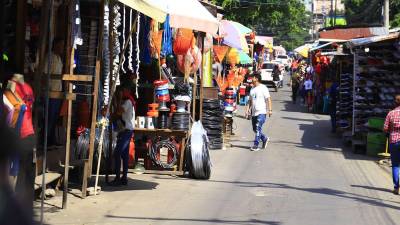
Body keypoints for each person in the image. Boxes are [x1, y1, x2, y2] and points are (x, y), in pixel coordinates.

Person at [112, 88, 135, 185]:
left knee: (118, 153)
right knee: (124, 155)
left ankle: (118, 178)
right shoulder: (126, 101)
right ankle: (124, 178)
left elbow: (119, 112)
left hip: (126, 131)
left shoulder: (128, 102)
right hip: (124, 131)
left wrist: (116, 102)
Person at [246, 73, 272, 151]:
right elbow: (250, 101)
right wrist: (247, 110)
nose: (251, 79)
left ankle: (256, 145)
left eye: (253, 77)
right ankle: (264, 139)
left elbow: (268, 99)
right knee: (255, 129)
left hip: (261, 112)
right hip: (254, 112)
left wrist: (270, 110)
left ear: (256, 79)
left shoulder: (263, 88)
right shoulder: (252, 89)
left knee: (257, 127)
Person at [384, 94, 400, 195]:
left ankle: (396, 187)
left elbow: (385, 128)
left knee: (395, 165)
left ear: (396, 102)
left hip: (394, 141)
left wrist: (391, 129)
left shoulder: (391, 113)